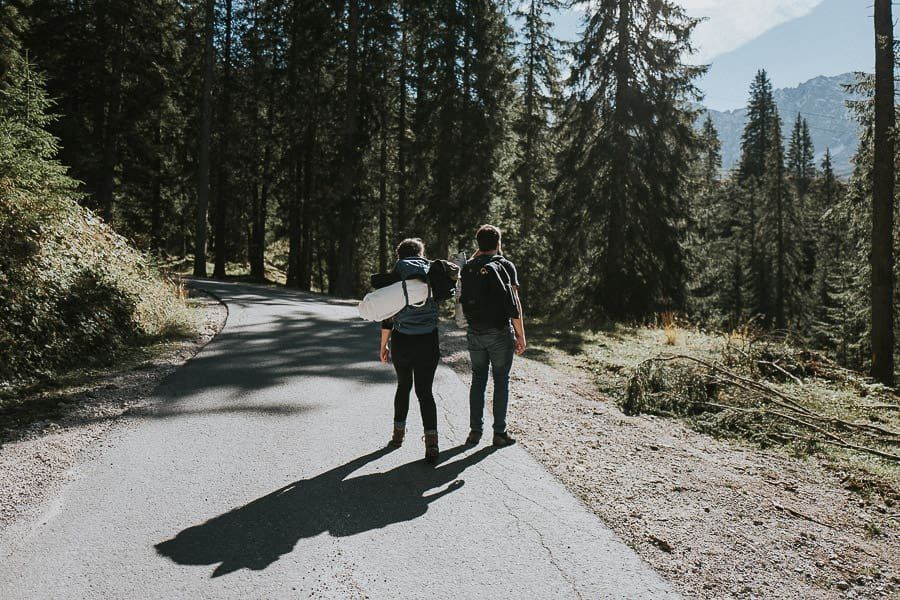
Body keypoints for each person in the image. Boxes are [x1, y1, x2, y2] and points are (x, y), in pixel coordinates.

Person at [460, 224, 526, 447]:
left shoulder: (468, 266)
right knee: (501, 380)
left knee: (478, 379)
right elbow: (514, 303)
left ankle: (474, 431)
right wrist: (520, 335)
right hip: (499, 331)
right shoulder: (506, 265)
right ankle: (499, 433)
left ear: (478, 244)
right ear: (498, 243)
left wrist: (477, 255)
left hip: (475, 331)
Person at [379, 238, 441, 464]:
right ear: (421, 252)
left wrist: (383, 344)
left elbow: (388, 314)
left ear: (399, 256)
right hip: (428, 340)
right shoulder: (433, 271)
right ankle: (432, 443)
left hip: (403, 340)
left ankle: (398, 435)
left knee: (403, 386)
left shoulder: (398, 272)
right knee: (425, 392)